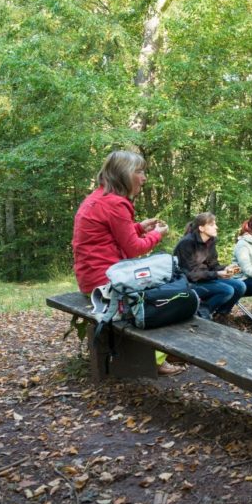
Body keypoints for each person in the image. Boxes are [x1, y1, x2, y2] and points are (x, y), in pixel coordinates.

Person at [71, 150, 182, 376]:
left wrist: (140, 227)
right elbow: (134, 248)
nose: (144, 177)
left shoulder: (98, 198)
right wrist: (158, 234)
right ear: (124, 174)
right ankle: (157, 358)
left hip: (91, 278)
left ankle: (162, 352)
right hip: (105, 283)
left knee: (162, 287)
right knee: (166, 297)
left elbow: (111, 235)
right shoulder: (116, 203)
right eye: (139, 171)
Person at [173, 212, 246, 323]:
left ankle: (221, 314)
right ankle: (203, 310)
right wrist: (217, 274)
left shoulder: (210, 241)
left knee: (240, 286)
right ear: (201, 228)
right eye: (212, 225)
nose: (216, 227)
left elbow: (213, 265)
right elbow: (192, 275)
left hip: (205, 278)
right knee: (227, 290)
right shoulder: (186, 243)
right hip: (188, 283)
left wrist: (226, 268)